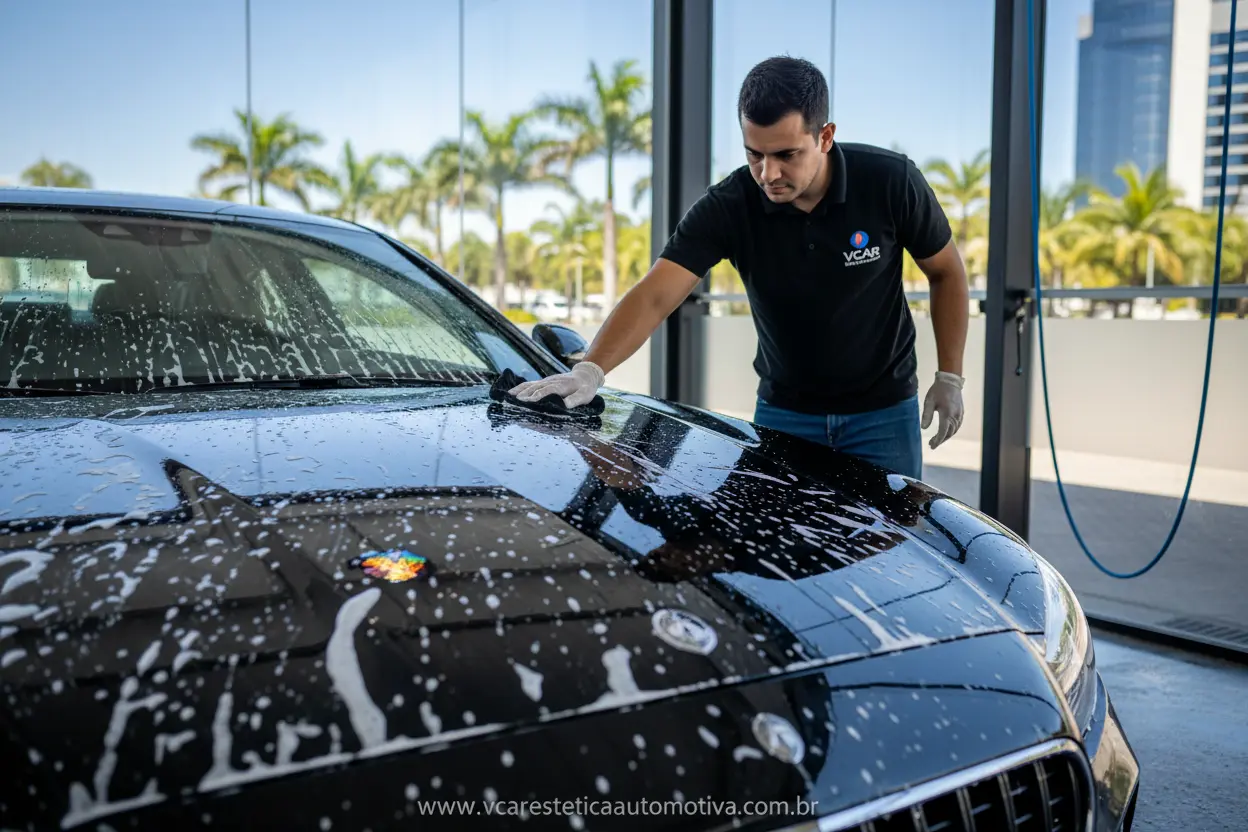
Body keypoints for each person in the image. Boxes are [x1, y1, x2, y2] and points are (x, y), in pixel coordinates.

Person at [509, 56, 969, 481]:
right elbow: (655, 294)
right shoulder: (730, 206)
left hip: (883, 414)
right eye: (755, 154)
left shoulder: (890, 182)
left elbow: (946, 271)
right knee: (775, 551)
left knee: (891, 555)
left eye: (786, 155)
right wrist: (590, 370)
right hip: (785, 413)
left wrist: (950, 376)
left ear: (825, 137)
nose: (768, 174)